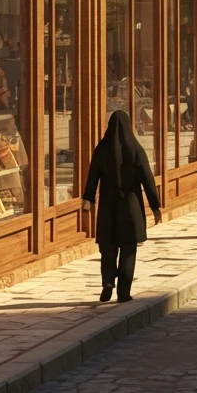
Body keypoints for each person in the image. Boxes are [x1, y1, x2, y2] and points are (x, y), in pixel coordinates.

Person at [81, 111, 161, 304]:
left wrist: (88, 200)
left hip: (108, 208)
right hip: (130, 207)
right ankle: (123, 292)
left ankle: (108, 282)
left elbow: (92, 177)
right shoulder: (135, 148)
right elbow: (147, 180)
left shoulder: (102, 148)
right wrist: (155, 206)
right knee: (128, 248)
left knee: (108, 249)